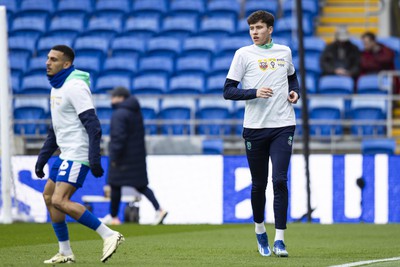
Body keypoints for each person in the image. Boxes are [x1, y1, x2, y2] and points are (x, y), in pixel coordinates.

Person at [35, 45, 124, 264]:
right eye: (48, 58)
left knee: (60, 199)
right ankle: (65, 251)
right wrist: (42, 158)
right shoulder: (56, 85)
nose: (48, 62)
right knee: (48, 197)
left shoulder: (75, 85)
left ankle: (109, 234)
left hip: (77, 152)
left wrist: (94, 158)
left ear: (66, 64)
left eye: (54, 59)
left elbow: (93, 125)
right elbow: (56, 128)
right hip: (65, 152)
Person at [223, 11, 300, 257]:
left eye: (259, 27)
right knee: (259, 184)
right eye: (251, 28)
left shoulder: (284, 52)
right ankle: (259, 230)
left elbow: (292, 78)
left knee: (279, 180)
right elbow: (228, 91)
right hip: (255, 128)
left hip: (283, 125)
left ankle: (280, 239)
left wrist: (294, 93)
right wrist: (254, 92)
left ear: (270, 29)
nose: (254, 32)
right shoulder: (243, 54)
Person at [104, 86, 168, 225]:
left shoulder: (119, 114)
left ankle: (114, 217)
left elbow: (118, 137)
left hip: (123, 156)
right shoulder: (135, 111)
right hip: (136, 156)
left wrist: (114, 156)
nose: (111, 99)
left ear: (121, 98)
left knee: (115, 185)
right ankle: (159, 209)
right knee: (141, 185)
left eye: (113, 96)